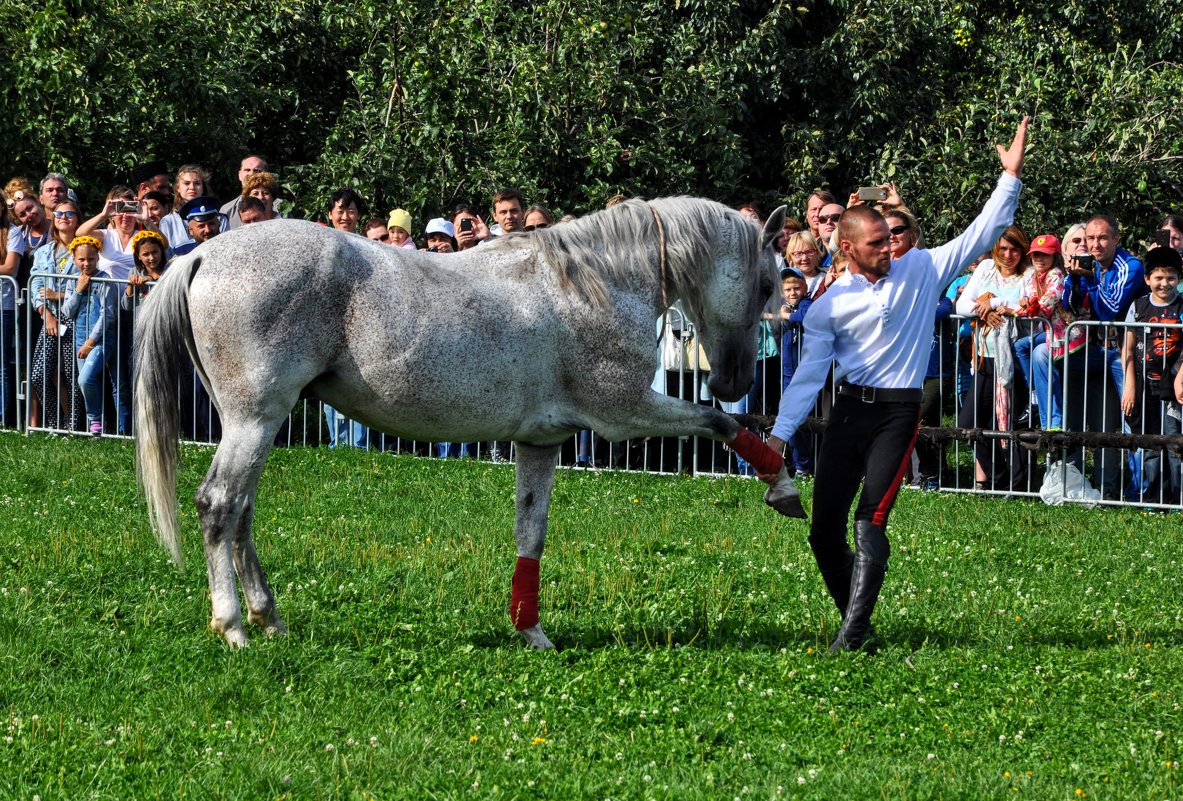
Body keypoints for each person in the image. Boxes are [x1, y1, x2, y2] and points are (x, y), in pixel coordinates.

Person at [761, 117, 1029, 652]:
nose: (890, 248)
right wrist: (779, 436)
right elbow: (809, 376)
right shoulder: (829, 305)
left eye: (892, 239)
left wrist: (1009, 178)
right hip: (848, 414)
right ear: (851, 248)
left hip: (897, 413)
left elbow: (982, 229)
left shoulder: (924, 267)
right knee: (822, 531)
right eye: (879, 242)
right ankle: (857, 626)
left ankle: (854, 631)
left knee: (871, 519)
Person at [1030, 214, 1147, 499]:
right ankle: (1051, 423)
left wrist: (1089, 282)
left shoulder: (1130, 266)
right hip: (1096, 349)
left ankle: (1141, 488)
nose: (1095, 244)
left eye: (1102, 238)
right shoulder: (1088, 265)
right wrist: (1074, 278)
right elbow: (1070, 304)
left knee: (1133, 418)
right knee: (1038, 351)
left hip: (1127, 352)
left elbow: (1111, 309)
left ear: (1116, 239)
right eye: (1091, 238)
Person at [954, 225, 1032, 491]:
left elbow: (1026, 305)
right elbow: (962, 305)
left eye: (1014, 249)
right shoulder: (986, 268)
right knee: (969, 424)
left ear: (1023, 251)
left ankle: (1021, 485)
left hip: (1017, 357)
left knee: (1014, 423)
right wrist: (983, 312)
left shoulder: (1030, 275)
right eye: (1003, 249)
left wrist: (994, 302)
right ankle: (1000, 479)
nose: (1008, 255)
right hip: (986, 356)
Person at [1121, 247, 1183, 505]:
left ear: (1179, 279)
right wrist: (1130, 384)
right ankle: (1154, 498)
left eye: (1170, 277)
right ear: (1147, 279)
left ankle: (1177, 498)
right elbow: (1128, 346)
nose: (1164, 283)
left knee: (1174, 443)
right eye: (1158, 277)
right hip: (1145, 383)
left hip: (1174, 387)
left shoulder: (1181, 306)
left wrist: (1181, 374)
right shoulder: (1138, 307)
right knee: (1149, 443)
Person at [29, 198, 84, 431]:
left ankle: (73, 426)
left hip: (76, 320)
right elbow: (35, 285)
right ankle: (55, 423)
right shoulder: (43, 252)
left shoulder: (85, 249)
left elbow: (85, 285)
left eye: (69, 214)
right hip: (50, 320)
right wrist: (45, 312)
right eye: (59, 214)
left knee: (71, 375)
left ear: (78, 219)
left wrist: (57, 295)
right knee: (40, 374)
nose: (63, 218)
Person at [60, 236, 119, 437]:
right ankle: (96, 425)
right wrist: (78, 290)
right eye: (81, 260)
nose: (86, 264)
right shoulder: (73, 282)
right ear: (74, 259)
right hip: (79, 338)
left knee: (85, 379)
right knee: (84, 382)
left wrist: (91, 342)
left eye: (91, 259)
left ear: (98, 259)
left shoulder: (106, 280)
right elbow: (67, 312)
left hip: (100, 340)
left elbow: (108, 314)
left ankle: (96, 419)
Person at [1012, 234, 1070, 429]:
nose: (1039, 259)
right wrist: (1024, 303)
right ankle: (1034, 394)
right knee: (1020, 346)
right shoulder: (1032, 276)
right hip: (1047, 332)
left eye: (1045, 255)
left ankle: (1041, 405)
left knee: (1028, 349)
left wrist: (1013, 310)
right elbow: (1028, 299)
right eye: (1035, 255)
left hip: (1061, 333)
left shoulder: (1057, 275)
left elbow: (1045, 306)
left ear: (1055, 257)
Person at [778, 268, 814, 478]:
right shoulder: (787, 307)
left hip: (804, 374)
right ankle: (797, 464)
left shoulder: (806, 304)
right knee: (789, 419)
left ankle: (804, 466)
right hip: (787, 373)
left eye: (796, 288)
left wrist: (787, 316)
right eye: (788, 289)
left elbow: (808, 316)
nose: (792, 293)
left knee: (801, 420)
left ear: (805, 288)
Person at [220, 155, 269, 228]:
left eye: (256, 170)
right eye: (247, 170)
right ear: (240, 175)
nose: (251, 174)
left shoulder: (279, 207)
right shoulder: (226, 211)